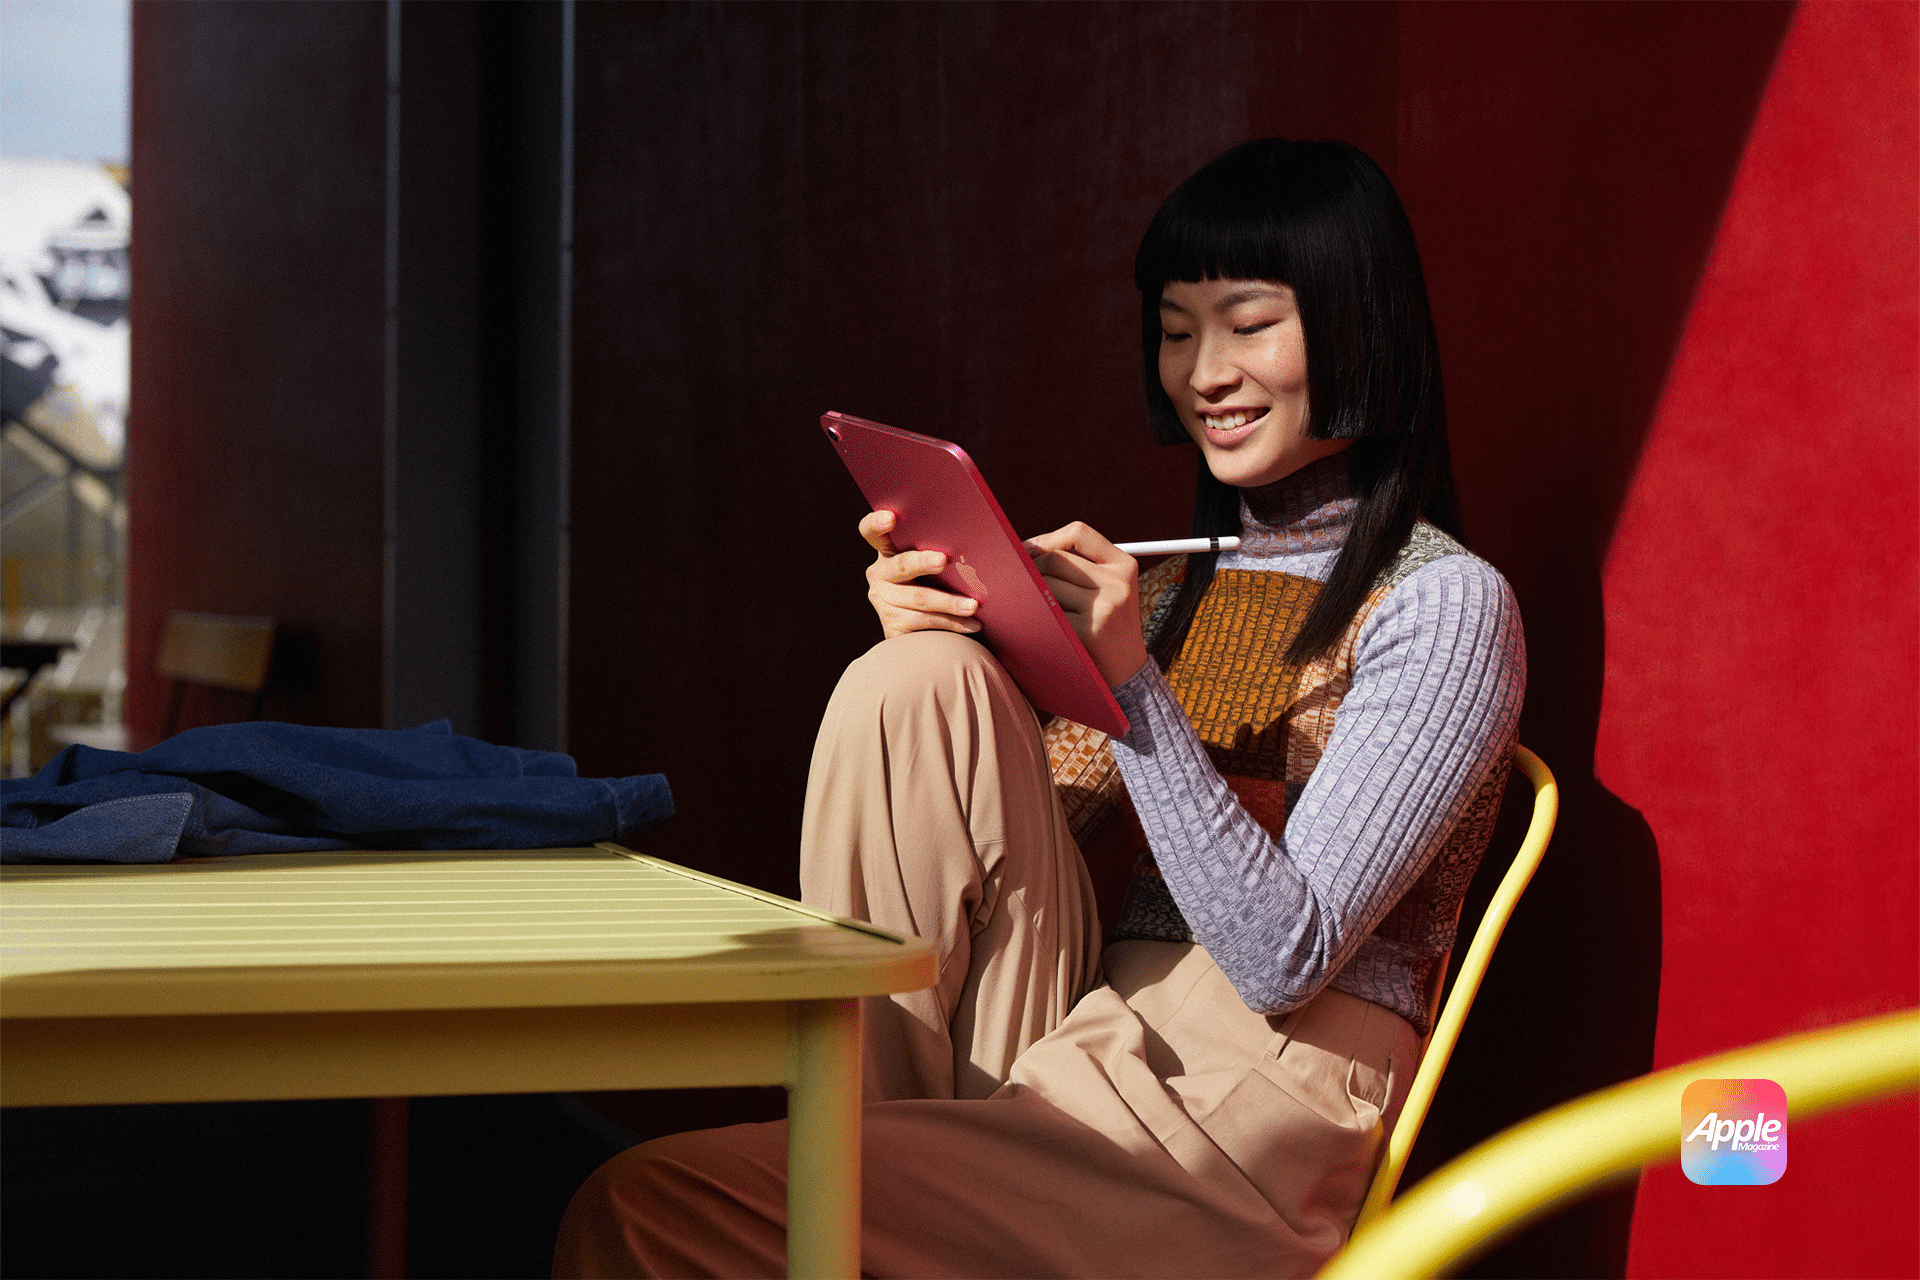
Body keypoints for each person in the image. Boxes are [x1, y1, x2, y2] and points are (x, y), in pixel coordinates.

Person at [554, 137, 1524, 1279]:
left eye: (1249, 323)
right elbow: (1010, 843)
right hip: (1084, 1043)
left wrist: (1130, 684)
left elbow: (1285, 956)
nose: (1207, 370)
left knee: (642, 1203)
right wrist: (954, 640)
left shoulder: (1446, 601)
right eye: (1175, 332)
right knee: (912, 685)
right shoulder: (1170, 590)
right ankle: (854, 1149)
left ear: (1360, 324)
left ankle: (845, 1207)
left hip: (1249, 1115)